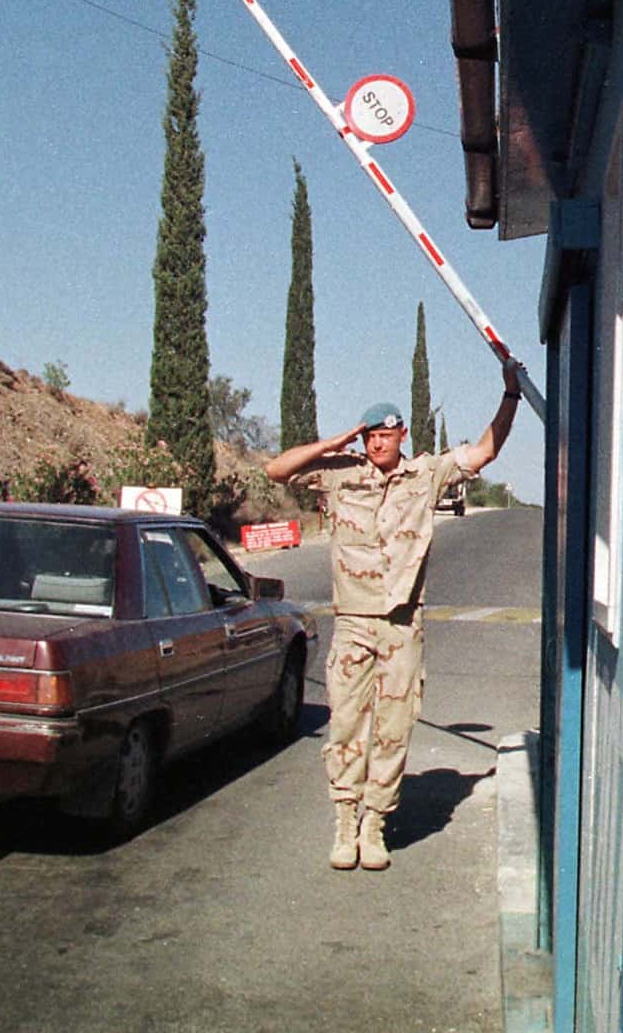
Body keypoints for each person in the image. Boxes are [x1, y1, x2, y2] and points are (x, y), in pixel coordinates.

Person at [265, 358, 522, 869]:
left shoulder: (424, 476)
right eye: (369, 437)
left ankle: (374, 825)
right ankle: (344, 821)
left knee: (393, 727)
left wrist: (510, 394)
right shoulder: (340, 475)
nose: (376, 444)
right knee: (345, 725)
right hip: (354, 624)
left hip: (402, 626)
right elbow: (276, 469)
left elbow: (485, 450)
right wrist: (334, 443)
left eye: (385, 435)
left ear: (402, 434)